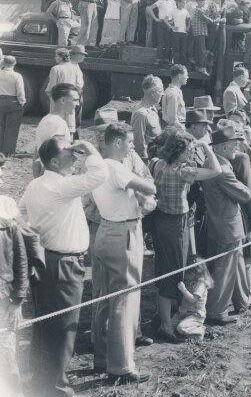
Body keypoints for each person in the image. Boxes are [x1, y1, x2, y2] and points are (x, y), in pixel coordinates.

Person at [19, 136, 107, 397]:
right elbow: (99, 173)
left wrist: (37, 236)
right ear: (55, 161)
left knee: (45, 324)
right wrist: (90, 148)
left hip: (46, 259)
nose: (75, 157)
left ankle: (40, 379)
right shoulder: (60, 186)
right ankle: (56, 387)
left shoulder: (36, 184)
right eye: (70, 154)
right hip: (63, 264)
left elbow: (21, 213)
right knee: (63, 328)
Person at [89, 123, 156, 385]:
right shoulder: (116, 167)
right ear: (116, 142)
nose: (131, 147)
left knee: (105, 297)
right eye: (128, 142)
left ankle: (102, 357)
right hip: (124, 233)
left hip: (105, 229)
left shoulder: (95, 166)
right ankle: (122, 366)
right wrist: (142, 184)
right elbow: (149, 188)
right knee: (125, 300)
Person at [149, 128, 221, 341]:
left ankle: (161, 316)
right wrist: (206, 147)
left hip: (160, 219)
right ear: (179, 151)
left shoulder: (157, 164)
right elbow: (215, 170)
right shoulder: (183, 170)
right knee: (174, 273)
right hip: (176, 224)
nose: (191, 153)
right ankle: (165, 325)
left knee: (163, 267)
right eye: (189, 149)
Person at [202, 127, 251, 326]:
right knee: (224, 269)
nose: (237, 147)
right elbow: (245, 195)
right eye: (234, 144)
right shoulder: (222, 170)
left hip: (221, 223)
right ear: (222, 147)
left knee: (236, 263)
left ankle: (241, 301)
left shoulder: (213, 162)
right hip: (227, 226)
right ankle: (216, 311)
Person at [0, 193, 27, 395]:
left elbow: (20, 264)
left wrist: (17, 300)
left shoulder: (8, 227)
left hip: (4, 300)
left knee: (6, 353)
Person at [32, 83, 78, 177]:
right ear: (63, 100)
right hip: (56, 178)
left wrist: (37, 180)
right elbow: (54, 155)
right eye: (75, 100)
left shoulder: (46, 119)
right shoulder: (58, 124)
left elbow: (36, 156)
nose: (78, 104)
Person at [46, 48, 84, 141]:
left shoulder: (55, 69)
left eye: (56, 56)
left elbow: (52, 86)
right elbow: (79, 84)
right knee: (70, 123)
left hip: (58, 98)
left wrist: (49, 93)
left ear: (60, 57)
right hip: (71, 97)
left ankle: (56, 145)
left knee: (56, 121)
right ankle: (69, 144)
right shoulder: (74, 67)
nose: (55, 58)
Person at [174, 257, 213, 340]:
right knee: (169, 326)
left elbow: (193, 300)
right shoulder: (189, 281)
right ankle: (190, 327)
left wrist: (183, 289)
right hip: (183, 312)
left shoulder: (201, 284)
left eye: (190, 272)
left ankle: (201, 331)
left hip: (195, 315)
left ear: (198, 272)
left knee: (180, 328)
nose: (188, 274)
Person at [130, 75, 164, 161]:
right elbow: (138, 145)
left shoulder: (152, 108)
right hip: (149, 161)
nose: (162, 94)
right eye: (160, 91)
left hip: (157, 157)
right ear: (153, 92)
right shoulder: (141, 114)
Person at [0, 56, 25, 156]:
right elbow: (20, 92)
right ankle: (8, 150)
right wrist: (22, 102)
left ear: (3, 63)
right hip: (13, 102)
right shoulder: (17, 76)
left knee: (0, 126)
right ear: (14, 64)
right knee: (12, 127)